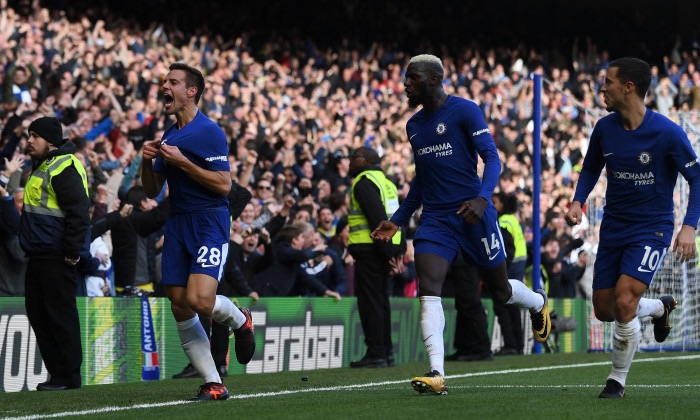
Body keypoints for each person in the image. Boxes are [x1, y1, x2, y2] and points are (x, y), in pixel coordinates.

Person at [371, 54, 551, 395]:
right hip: (436, 220)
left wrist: (483, 198)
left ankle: (537, 303)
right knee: (429, 287)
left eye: (412, 77)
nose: (406, 84)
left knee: (501, 290)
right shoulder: (413, 126)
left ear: (434, 79)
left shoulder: (466, 110)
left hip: (474, 214)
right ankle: (437, 373)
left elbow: (492, 158)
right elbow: (421, 180)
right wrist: (397, 221)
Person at [564, 57, 700, 399]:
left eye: (607, 82)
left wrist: (689, 227)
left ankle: (617, 380)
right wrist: (578, 201)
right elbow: (590, 167)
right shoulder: (603, 128)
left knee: (625, 298)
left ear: (628, 87)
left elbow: (697, 178)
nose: (602, 88)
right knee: (605, 309)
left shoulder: (667, 132)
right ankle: (658, 307)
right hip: (613, 228)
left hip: (652, 229)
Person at [139, 63, 254, 401]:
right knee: (179, 304)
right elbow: (151, 191)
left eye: (173, 82)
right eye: (164, 81)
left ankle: (240, 320)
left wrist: (183, 163)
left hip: (208, 221)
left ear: (191, 91)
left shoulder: (209, 132)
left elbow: (224, 185)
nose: (165, 86)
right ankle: (213, 382)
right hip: (178, 223)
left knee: (200, 300)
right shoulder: (169, 135)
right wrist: (146, 161)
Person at [19, 116, 91, 390]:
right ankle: (57, 373)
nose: (29, 141)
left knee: (60, 316)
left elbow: (78, 212)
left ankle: (68, 375)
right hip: (38, 254)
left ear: (50, 141)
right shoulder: (44, 164)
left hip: (57, 255)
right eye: (28, 135)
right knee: (39, 315)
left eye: (34, 136)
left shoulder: (64, 166)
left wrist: (72, 252)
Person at [347, 146, 404, 368]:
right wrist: (397, 252)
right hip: (385, 249)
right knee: (381, 302)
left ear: (368, 160)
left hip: (372, 250)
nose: (350, 160)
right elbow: (397, 219)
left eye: (354, 156)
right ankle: (386, 352)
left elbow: (377, 219)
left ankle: (376, 353)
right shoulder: (387, 183)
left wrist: (388, 254)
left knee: (370, 304)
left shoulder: (364, 182)